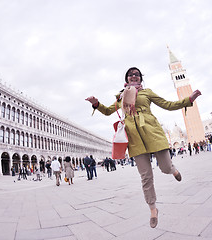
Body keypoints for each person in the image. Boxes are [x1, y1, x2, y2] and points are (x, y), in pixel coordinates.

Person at [86, 67, 201, 228]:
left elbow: (167, 104)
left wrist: (188, 100)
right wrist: (96, 104)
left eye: (137, 75)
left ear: (140, 79)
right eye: (131, 74)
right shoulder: (121, 97)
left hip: (153, 132)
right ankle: (153, 209)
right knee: (146, 177)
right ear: (126, 78)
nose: (134, 76)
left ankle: (173, 170)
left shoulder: (147, 93)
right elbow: (107, 111)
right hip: (134, 139)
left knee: (165, 167)